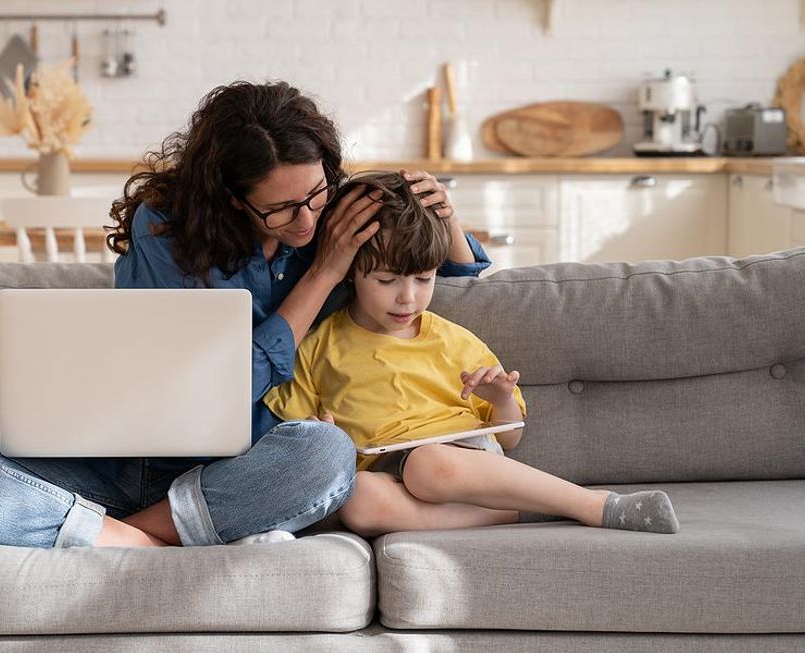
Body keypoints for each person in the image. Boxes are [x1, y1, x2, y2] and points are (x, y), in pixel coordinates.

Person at [0, 81, 493, 549]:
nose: (308, 222)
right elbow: (220, 385)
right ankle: (144, 536)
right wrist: (321, 276)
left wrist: (451, 226)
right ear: (232, 197)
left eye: (316, 194)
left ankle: (113, 535)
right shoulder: (166, 231)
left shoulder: (332, 219)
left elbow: (427, 289)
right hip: (113, 463)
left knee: (326, 454)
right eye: (281, 208)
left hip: (238, 472)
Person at [264, 171, 680, 536]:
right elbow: (297, 427)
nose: (407, 298)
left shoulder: (451, 339)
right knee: (358, 502)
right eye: (387, 280)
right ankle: (519, 513)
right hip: (382, 471)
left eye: (424, 279)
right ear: (352, 271)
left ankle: (593, 505)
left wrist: (499, 398)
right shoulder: (320, 344)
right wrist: (323, 432)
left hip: (456, 459)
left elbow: (510, 436)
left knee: (426, 467)